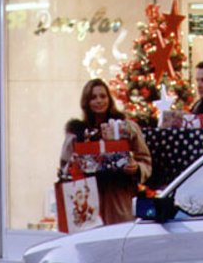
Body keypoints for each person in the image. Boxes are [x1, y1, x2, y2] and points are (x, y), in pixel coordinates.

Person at [60, 78, 152, 225]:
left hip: (120, 200)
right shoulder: (76, 134)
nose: (99, 101)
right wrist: (73, 166)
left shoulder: (127, 128)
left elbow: (145, 160)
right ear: (86, 102)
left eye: (103, 96)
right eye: (93, 97)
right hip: (88, 202)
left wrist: (136, 168)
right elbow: (64, 169)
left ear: (109, 99)